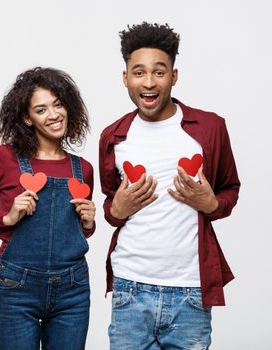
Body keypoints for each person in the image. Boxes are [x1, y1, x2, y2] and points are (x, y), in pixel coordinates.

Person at [98, 22, 240, 349]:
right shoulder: (113, 136)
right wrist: (116, 211)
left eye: (159, 72)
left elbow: (230, 188)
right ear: (125, 78)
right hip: (130, 287)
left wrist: (210, 205)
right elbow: (109, 205)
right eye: (139, 72)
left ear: (174, 76)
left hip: (191, 290)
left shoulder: (210, 128)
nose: (148, 82)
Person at [0, 67, 96, 350]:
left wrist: (88, 223)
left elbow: (75, 233)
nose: (53, 115)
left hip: (72, 288)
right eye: (41, 110)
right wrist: (6, 216)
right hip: (17, 287)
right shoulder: (4, 159)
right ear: (27, 118)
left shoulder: (83, 168)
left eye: (58, 104)